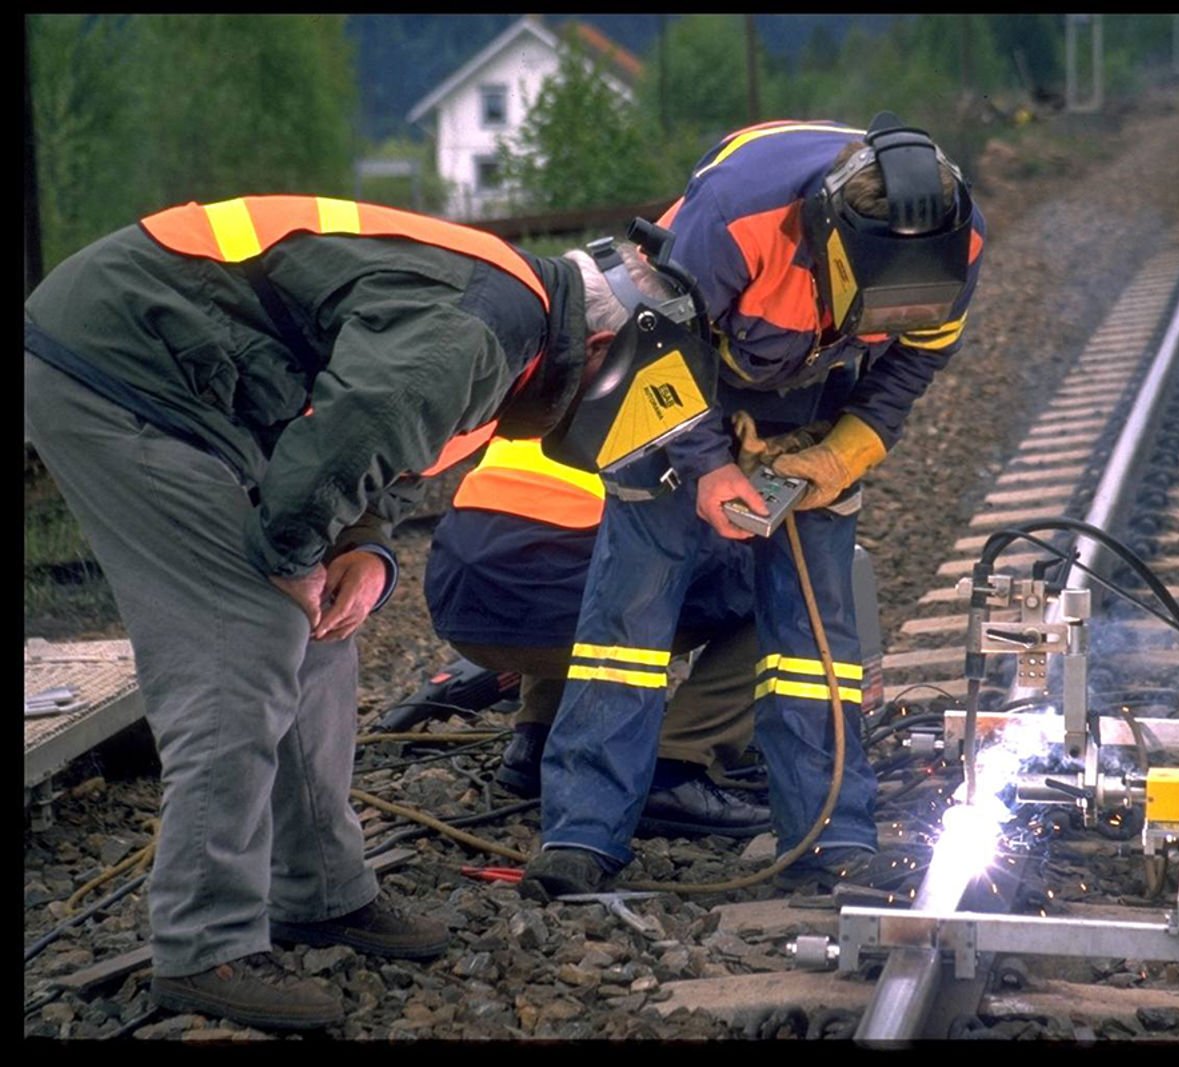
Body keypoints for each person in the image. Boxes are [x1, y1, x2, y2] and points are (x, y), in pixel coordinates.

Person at [22, 194, 709, 1030]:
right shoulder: (482, 330)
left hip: (195, 378)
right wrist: (295, 552)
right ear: (603, 347)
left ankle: (320, 893)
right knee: (240, 637)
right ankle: (203, 942)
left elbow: (369, 435)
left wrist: (365, 551)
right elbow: (364, 422)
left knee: (319, 632)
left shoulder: (512, 332)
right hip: (119, 367)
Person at [521, 113, 985, 900]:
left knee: (817, 633)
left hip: (818, 394)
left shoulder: (956, 243)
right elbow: (660, 350)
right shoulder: (734, 220)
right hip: (677, 381)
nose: (890, 310)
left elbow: (913, 366)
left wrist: (841, 453)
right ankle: (582, 832)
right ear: (832, 235)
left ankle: (829, 832)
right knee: (630, 616)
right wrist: (704, 465)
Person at [423, 433, 772, 837]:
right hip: (553, 624)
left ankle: (534, 742)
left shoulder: (561, 394)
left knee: (574, 554)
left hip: (462, 609)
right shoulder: (679, 437)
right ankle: (677, 770)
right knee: (773, 595)